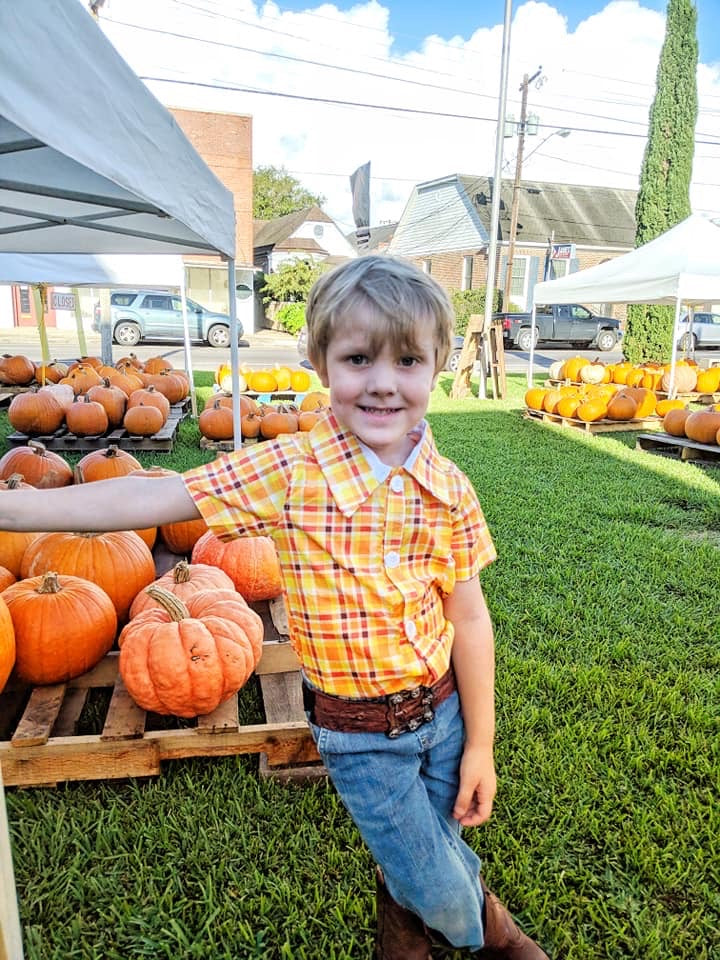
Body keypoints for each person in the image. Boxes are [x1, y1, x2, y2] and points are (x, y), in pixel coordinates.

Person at [0, 256, 547, 959]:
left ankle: (400, 938)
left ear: (439, 362)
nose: (383, 381)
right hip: (360, 737)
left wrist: (480, 744)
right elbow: (146, 496)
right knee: (439, 879)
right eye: (358, 358)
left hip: (442, 711)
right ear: (322, 361)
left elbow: (469, 619)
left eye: (408, 359)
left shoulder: (449, 489)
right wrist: (14, 506)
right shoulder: (290, 470)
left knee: (420, 856)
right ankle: (493, 937)